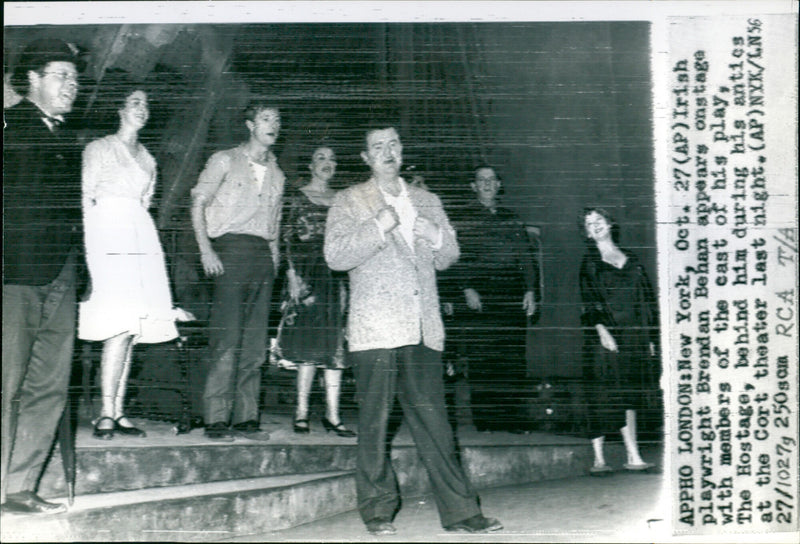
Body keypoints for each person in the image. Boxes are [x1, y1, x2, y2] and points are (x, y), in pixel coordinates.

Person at [324, 125, 502, 535]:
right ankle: (377, 511)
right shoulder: (350, 200)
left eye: (393, 144)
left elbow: (449, 255)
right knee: (374, 423)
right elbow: (335, 256)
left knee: (437, 426)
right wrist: (379, 226)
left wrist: (436, 235)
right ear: (366, 158)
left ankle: (461, 512)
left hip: (423, 328)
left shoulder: (427, 200)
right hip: (376, 330)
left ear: (402, 151)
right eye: (377, 147)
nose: (387, 152)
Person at [78, 84, 195, 440]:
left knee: (131, 329)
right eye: (134, 102)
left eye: (146, 104)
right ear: (120, 109)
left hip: (139, 239)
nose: (142, 108)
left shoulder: (148, 159)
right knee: (117, 326)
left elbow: (144, 206)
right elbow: (87, 199)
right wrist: (92, 255)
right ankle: (105, 412)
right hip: (107, 237)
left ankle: (117, 410)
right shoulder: (98, 148)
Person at [2, 38, 84, 514]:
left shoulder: (64, 137)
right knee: (7, 382)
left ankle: (18, 485)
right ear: (31, 79)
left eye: (75, 78)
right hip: (16, 274)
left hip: (61, 274)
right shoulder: (11, 128)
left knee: (50, 382)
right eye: (61, 76)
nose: (72, 86)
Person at [191, 101, 285, 441]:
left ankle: (246, 417)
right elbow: (198, 203)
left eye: (276, 119)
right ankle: (216, 417)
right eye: (265, 118)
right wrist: (206, 250)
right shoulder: (224, 160)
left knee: (255, 344)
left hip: (262, 257)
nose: (273, 124)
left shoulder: (278, 173)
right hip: (229, 252)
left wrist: (274, 263)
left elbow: (274, 227)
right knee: (226, 339)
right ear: (249, 124)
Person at [447, 165, 539, 433]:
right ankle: (486, 420)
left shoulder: (512, 218)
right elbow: (456, 256)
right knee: (484, 356)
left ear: (499, 185)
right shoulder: (462, 217)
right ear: (473, 186)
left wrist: (530, 290)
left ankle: (513, 420)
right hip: (480, 291)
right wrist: (467, 287)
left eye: (491, 179)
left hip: (511, 291)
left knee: (512, 355)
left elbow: (525, 258)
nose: (487, 184)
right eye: (481, 180)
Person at [278, 146, 355, 437]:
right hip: (307, 275)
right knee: (308, 346)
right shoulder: (297, 196)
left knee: (336, 344)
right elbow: (286, 238)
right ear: (310, 165)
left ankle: (333, 415)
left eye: (333, 159)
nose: (328, 163)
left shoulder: (344, 200)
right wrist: (292, 276)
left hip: (337, 276)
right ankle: (301, 412)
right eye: (321, 158)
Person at [578, 206, 659, 474]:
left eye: (598, 220)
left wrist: (650, 337)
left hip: (633, 335)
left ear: (610, 223)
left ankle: (634, 456)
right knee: (602, 393)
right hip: (604, 335)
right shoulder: (589, 263)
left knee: (629, 395)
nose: (595, 225)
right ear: (587, 233)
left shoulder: (632, 259)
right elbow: (589, 302)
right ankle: (599, 459)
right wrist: (602, 331)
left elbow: (646, 300)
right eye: (589, 224)